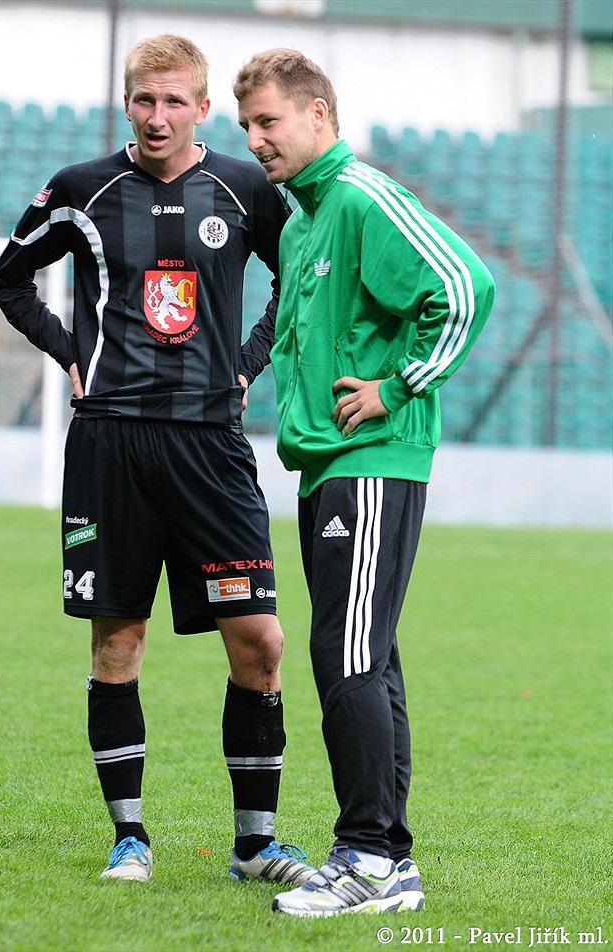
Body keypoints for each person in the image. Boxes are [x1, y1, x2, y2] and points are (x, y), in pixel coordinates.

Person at [0, 34, 314, 888]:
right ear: (125, 103)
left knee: (262, 644)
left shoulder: (244, 189)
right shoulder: (80, 189)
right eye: (143, 100)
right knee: (118, 643)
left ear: (203, 108)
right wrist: (71, 354)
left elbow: (301, 281)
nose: (158, 116)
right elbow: (9, 279)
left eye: (174, 101)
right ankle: (129, 837)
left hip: (210, 443)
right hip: (112, 441)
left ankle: (254, 846)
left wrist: (246, 365)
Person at [234, 49, 496, 917]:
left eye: (269, 121)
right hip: (327, 466)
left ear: (319, 114)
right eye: (247, 125)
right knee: (365, 655)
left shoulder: (360, 196)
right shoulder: (303, 217)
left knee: (343, 654)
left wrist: (398, 385)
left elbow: (466, 285)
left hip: (374, 461)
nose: (256, 138)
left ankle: (368, 860)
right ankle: (393, 862)